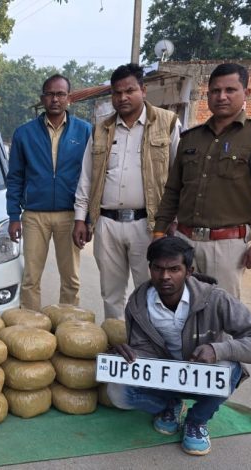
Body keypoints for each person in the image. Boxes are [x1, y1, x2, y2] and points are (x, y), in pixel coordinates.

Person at [107, 236, 251, 456]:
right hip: (166, 380)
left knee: (228, 367)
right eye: (158, 268)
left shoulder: (215, 299)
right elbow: (144, 350)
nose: (165, 276)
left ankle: (196, 421)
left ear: (189, 271)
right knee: (117, 391)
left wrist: (218, 350)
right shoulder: (138, 304)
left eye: (174, 269)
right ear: (150, 268)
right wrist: (129, 354)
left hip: (203, 377)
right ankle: (170, 406)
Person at [153, 63, 251, 298]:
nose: (221, 96)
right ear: (208, 95)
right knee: (180, 305)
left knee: (220, 310)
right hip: (184, 240)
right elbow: (173, 189)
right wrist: (160, 231)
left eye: (230, 90)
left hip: (226, 246)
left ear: (246, 93)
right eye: (215, 91)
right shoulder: (191, 138)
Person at [73, 63, 181, 320]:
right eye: (117, 92)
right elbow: (86, 177)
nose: (122, 97)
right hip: (107, 223)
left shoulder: (167, 123)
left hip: (149, 225)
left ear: (143, 90)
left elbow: (180, 176)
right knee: (111, 292)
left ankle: (150, 339)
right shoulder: (101, 129)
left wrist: (173, 219)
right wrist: (80, 218)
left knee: (151, 288)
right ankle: (117, 337)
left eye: (129, 91)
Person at [6, 74, 92, 310]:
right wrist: (13, 215)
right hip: (34, 215)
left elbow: (91, 178)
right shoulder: (24, 133)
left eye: (61, 94)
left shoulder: (85, 131)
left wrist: (87, 219)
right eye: (50, 94)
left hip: (70, 215)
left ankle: (69, 323)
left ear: (69, 98)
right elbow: (15, 177)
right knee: (31, 279)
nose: (55, 99)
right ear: (42, 98)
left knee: (71, 279)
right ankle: (30, 326)